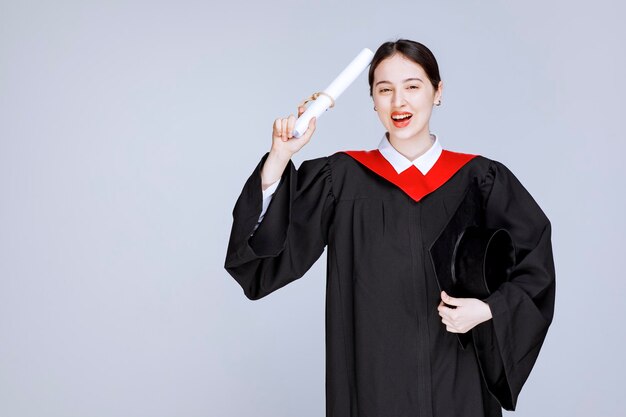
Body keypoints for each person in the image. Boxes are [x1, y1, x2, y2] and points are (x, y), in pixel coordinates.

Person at [224, 39, 556, 417]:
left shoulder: (480, 179)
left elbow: (536, 267)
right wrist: (280, 158)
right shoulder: (341, 179)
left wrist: (488, 309)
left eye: (413, 86)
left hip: (458, 381)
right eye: (385, 90)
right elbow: (264, 256)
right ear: (373, 100)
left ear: (438, 91)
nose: (399, 102)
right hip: (371, 383)